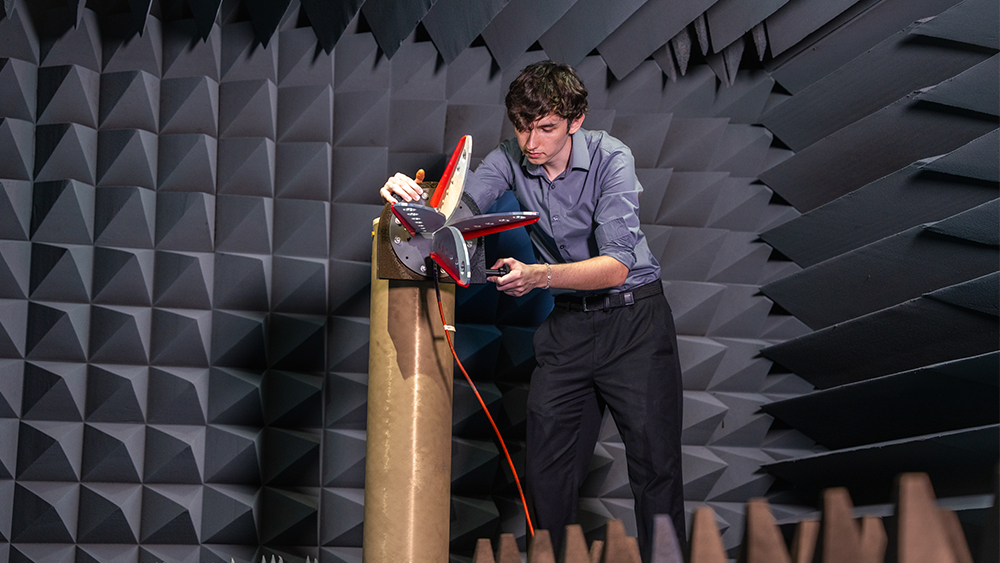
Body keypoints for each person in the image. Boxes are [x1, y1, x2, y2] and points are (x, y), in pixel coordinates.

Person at [380, 60, 685, 560]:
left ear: (576, 120)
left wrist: (539, 276)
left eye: (545, 128)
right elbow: (453, 216)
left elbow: (615, 268)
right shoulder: (508, 157)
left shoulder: (612, 158)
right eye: (522, 127)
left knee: (657, 474)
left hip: (635, 325)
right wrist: (406, 201)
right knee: (546, 478)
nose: (531, 142)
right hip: (569, 327)